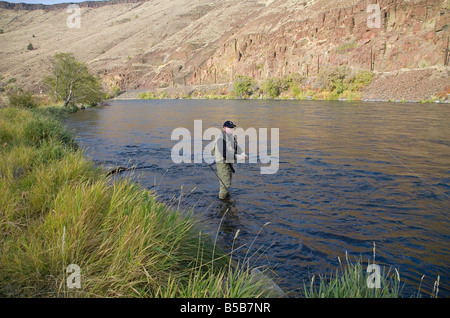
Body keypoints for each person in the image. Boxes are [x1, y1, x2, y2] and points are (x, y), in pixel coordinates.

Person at [212, 120, 247, 200]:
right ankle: (222, 202)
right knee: (225, 184)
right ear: (224, 128)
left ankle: (226, 199)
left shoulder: (231, 137)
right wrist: (239, 157)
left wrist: (242, 154)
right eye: (230, 127)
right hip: (222, 163)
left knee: (228, 183)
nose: (232, 129)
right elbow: (225, 154)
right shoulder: (220, 139)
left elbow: (236, 147)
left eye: (233, 127)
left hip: (229, 162)